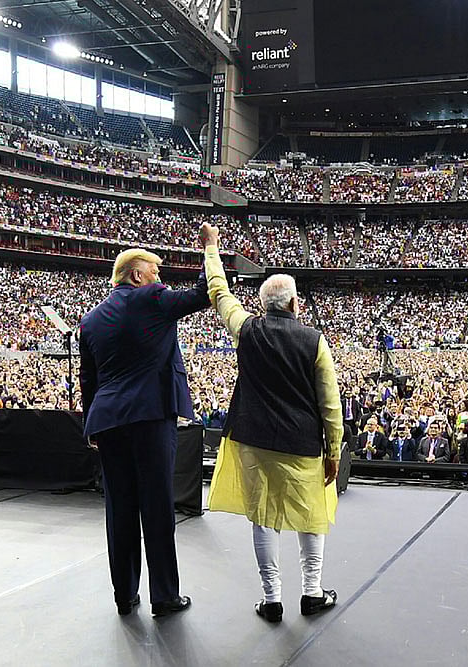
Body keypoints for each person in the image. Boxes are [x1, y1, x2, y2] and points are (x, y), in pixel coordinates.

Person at [202, 222, 343, 624]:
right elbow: (330, 405)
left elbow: (220, 294)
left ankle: (272, 599)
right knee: (310, 513)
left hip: (254, 440)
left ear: (263, 305)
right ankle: (313, 593)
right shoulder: (315, 340)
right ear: (295, 304)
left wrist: (212, 250)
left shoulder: (246, 329)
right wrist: (333, 451)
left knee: (263, 517)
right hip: (301, 444)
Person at [79, 246, 209, 618]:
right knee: (156, 506)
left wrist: (91, 424)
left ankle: (125, 594)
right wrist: (210, 249)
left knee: (119, 509)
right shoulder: (151, 299)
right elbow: (201, 294)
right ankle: (164, 596)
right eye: (155, 271)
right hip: (150, 417)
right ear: (136, 275)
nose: (160, 279)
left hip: (108, 422)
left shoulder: (90, 320)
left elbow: (89, 379)